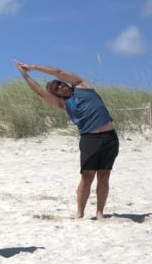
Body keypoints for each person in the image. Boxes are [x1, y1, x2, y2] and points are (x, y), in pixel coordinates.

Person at [15, 61, 119, 220]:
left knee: (104, 176)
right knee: (87, 176)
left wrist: (33, 67)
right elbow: (39, 92)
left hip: (109, 137)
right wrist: (25, 75)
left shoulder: (82, 85)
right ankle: (80, 213)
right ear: (56, 94)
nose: (60, 87)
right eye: (56, 89)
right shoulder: (63, 104)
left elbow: (57, 71)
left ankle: (99, 212)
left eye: (60, 84)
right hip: (89, 139)